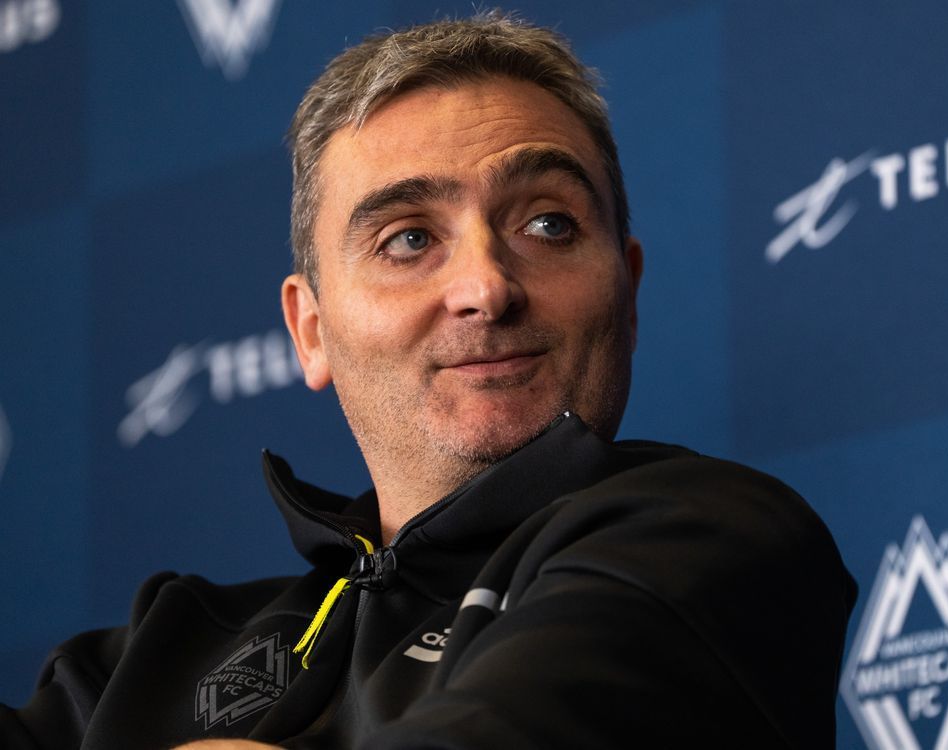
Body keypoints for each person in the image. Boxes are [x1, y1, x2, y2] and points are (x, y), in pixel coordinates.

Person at [1, 12, 857, 749]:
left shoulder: (716, 540)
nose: (486, 287)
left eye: (549, 223)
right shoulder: (143, 658)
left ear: (627, 294)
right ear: (311, 329)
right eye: (408, 238)